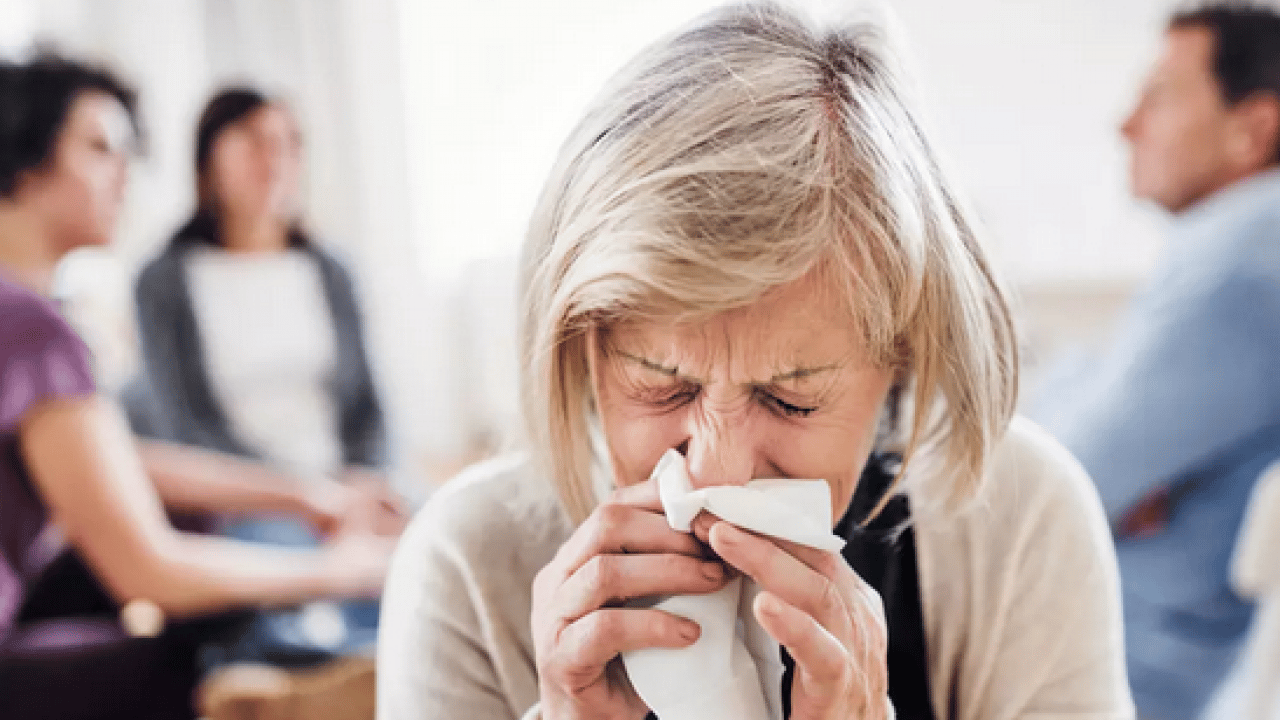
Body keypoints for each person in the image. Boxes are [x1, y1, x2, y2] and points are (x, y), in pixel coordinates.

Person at [377, 4, 1133, 720]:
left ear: (898, 366)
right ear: (585, 352)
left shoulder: (1019, 526)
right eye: (661, 386)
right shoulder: (469, 566)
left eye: (790, 399)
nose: (718, 474)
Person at [0, 54, 393, 720]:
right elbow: (148, 572)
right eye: (100, 149)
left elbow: (113, 464)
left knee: (200, 537)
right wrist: (349, 571)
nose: (125, 174)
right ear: (25, 154)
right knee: (206, 651)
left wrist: (303, 496)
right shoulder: (31, 326)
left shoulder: (22, 312)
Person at [1029, 4, 1280, 719]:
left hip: (1134, 675)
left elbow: (1057, 478)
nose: (1127, 124)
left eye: (1161, 96)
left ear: (1253, 129)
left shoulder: (1242, 267)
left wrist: (1100, 464)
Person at [125, 86, 404, 660]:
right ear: (209, 159)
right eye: (253, 143)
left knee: (430, 550)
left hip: (347, 482)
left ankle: (373, 662)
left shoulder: (331, 269)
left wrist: (360, 485)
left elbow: (368, 405)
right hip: (249, 494)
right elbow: (185, 426)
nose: (274, 160)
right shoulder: (164, 280)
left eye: (288, 144)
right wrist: (301, 496)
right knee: (287, 594)